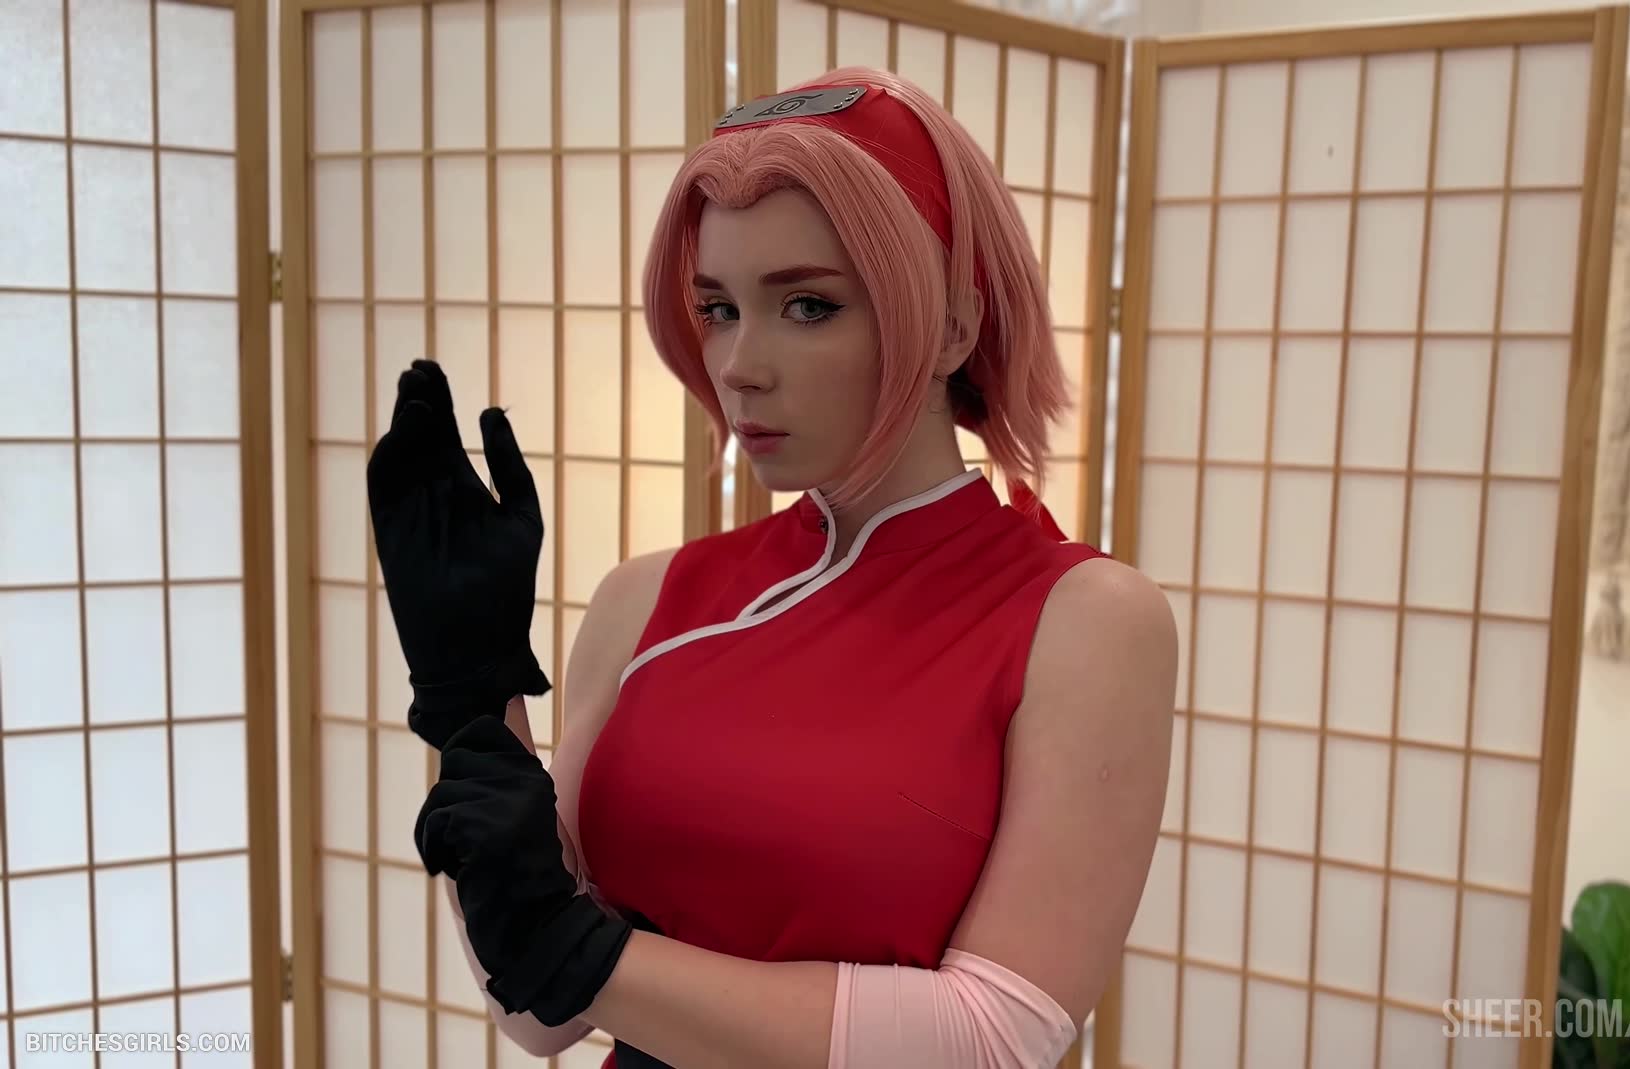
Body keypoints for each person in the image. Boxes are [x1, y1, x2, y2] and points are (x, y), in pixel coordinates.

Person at [368, 67, 1177, 1069]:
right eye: (717, 308)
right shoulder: (643, 600)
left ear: (952, 326)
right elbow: (537, 1015)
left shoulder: (1083, 622)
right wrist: (470, 693)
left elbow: (989, 1040)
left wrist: (584, 955)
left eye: (807, 305)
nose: (739, 366)